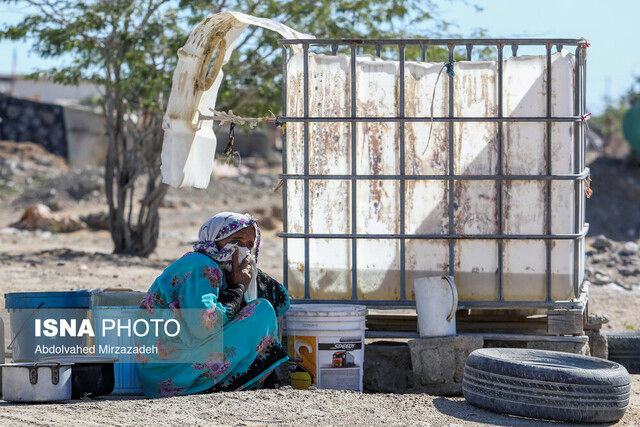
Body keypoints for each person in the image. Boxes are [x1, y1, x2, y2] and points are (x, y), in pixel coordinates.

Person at [135, 212, 290, 398]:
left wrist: (251, 273)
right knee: (261, 312)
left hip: (170, 370)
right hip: (170, 372)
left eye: (249, 245)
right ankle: (217, 384)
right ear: (215, 239)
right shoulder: (201, 265)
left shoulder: (222, 270)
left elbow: (282, 302)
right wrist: (237, 288)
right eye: (236, 240)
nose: (241, 249)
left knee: (263, 309)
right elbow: (203, 327)